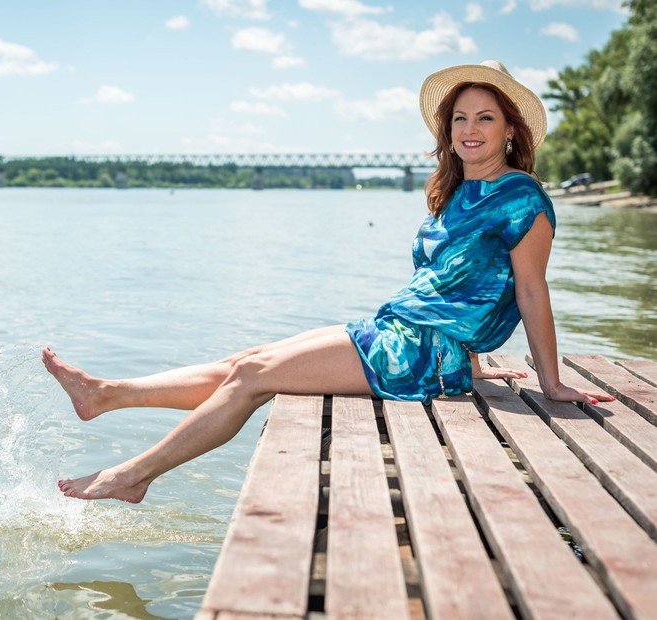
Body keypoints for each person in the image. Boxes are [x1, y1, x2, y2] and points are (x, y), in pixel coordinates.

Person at [44, 60, 615, 503]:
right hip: (409, 335)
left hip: (420, 352)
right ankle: (107, 395)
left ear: (510, 130)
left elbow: (531, 291)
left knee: (253, 375)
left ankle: (132, 475)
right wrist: (475, 356)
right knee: (252, 356)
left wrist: (551, 382)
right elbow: (453, 288)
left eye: (485, 117)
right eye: (460, 117)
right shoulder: (455, 191)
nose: (470, 129)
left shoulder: (522, 198)